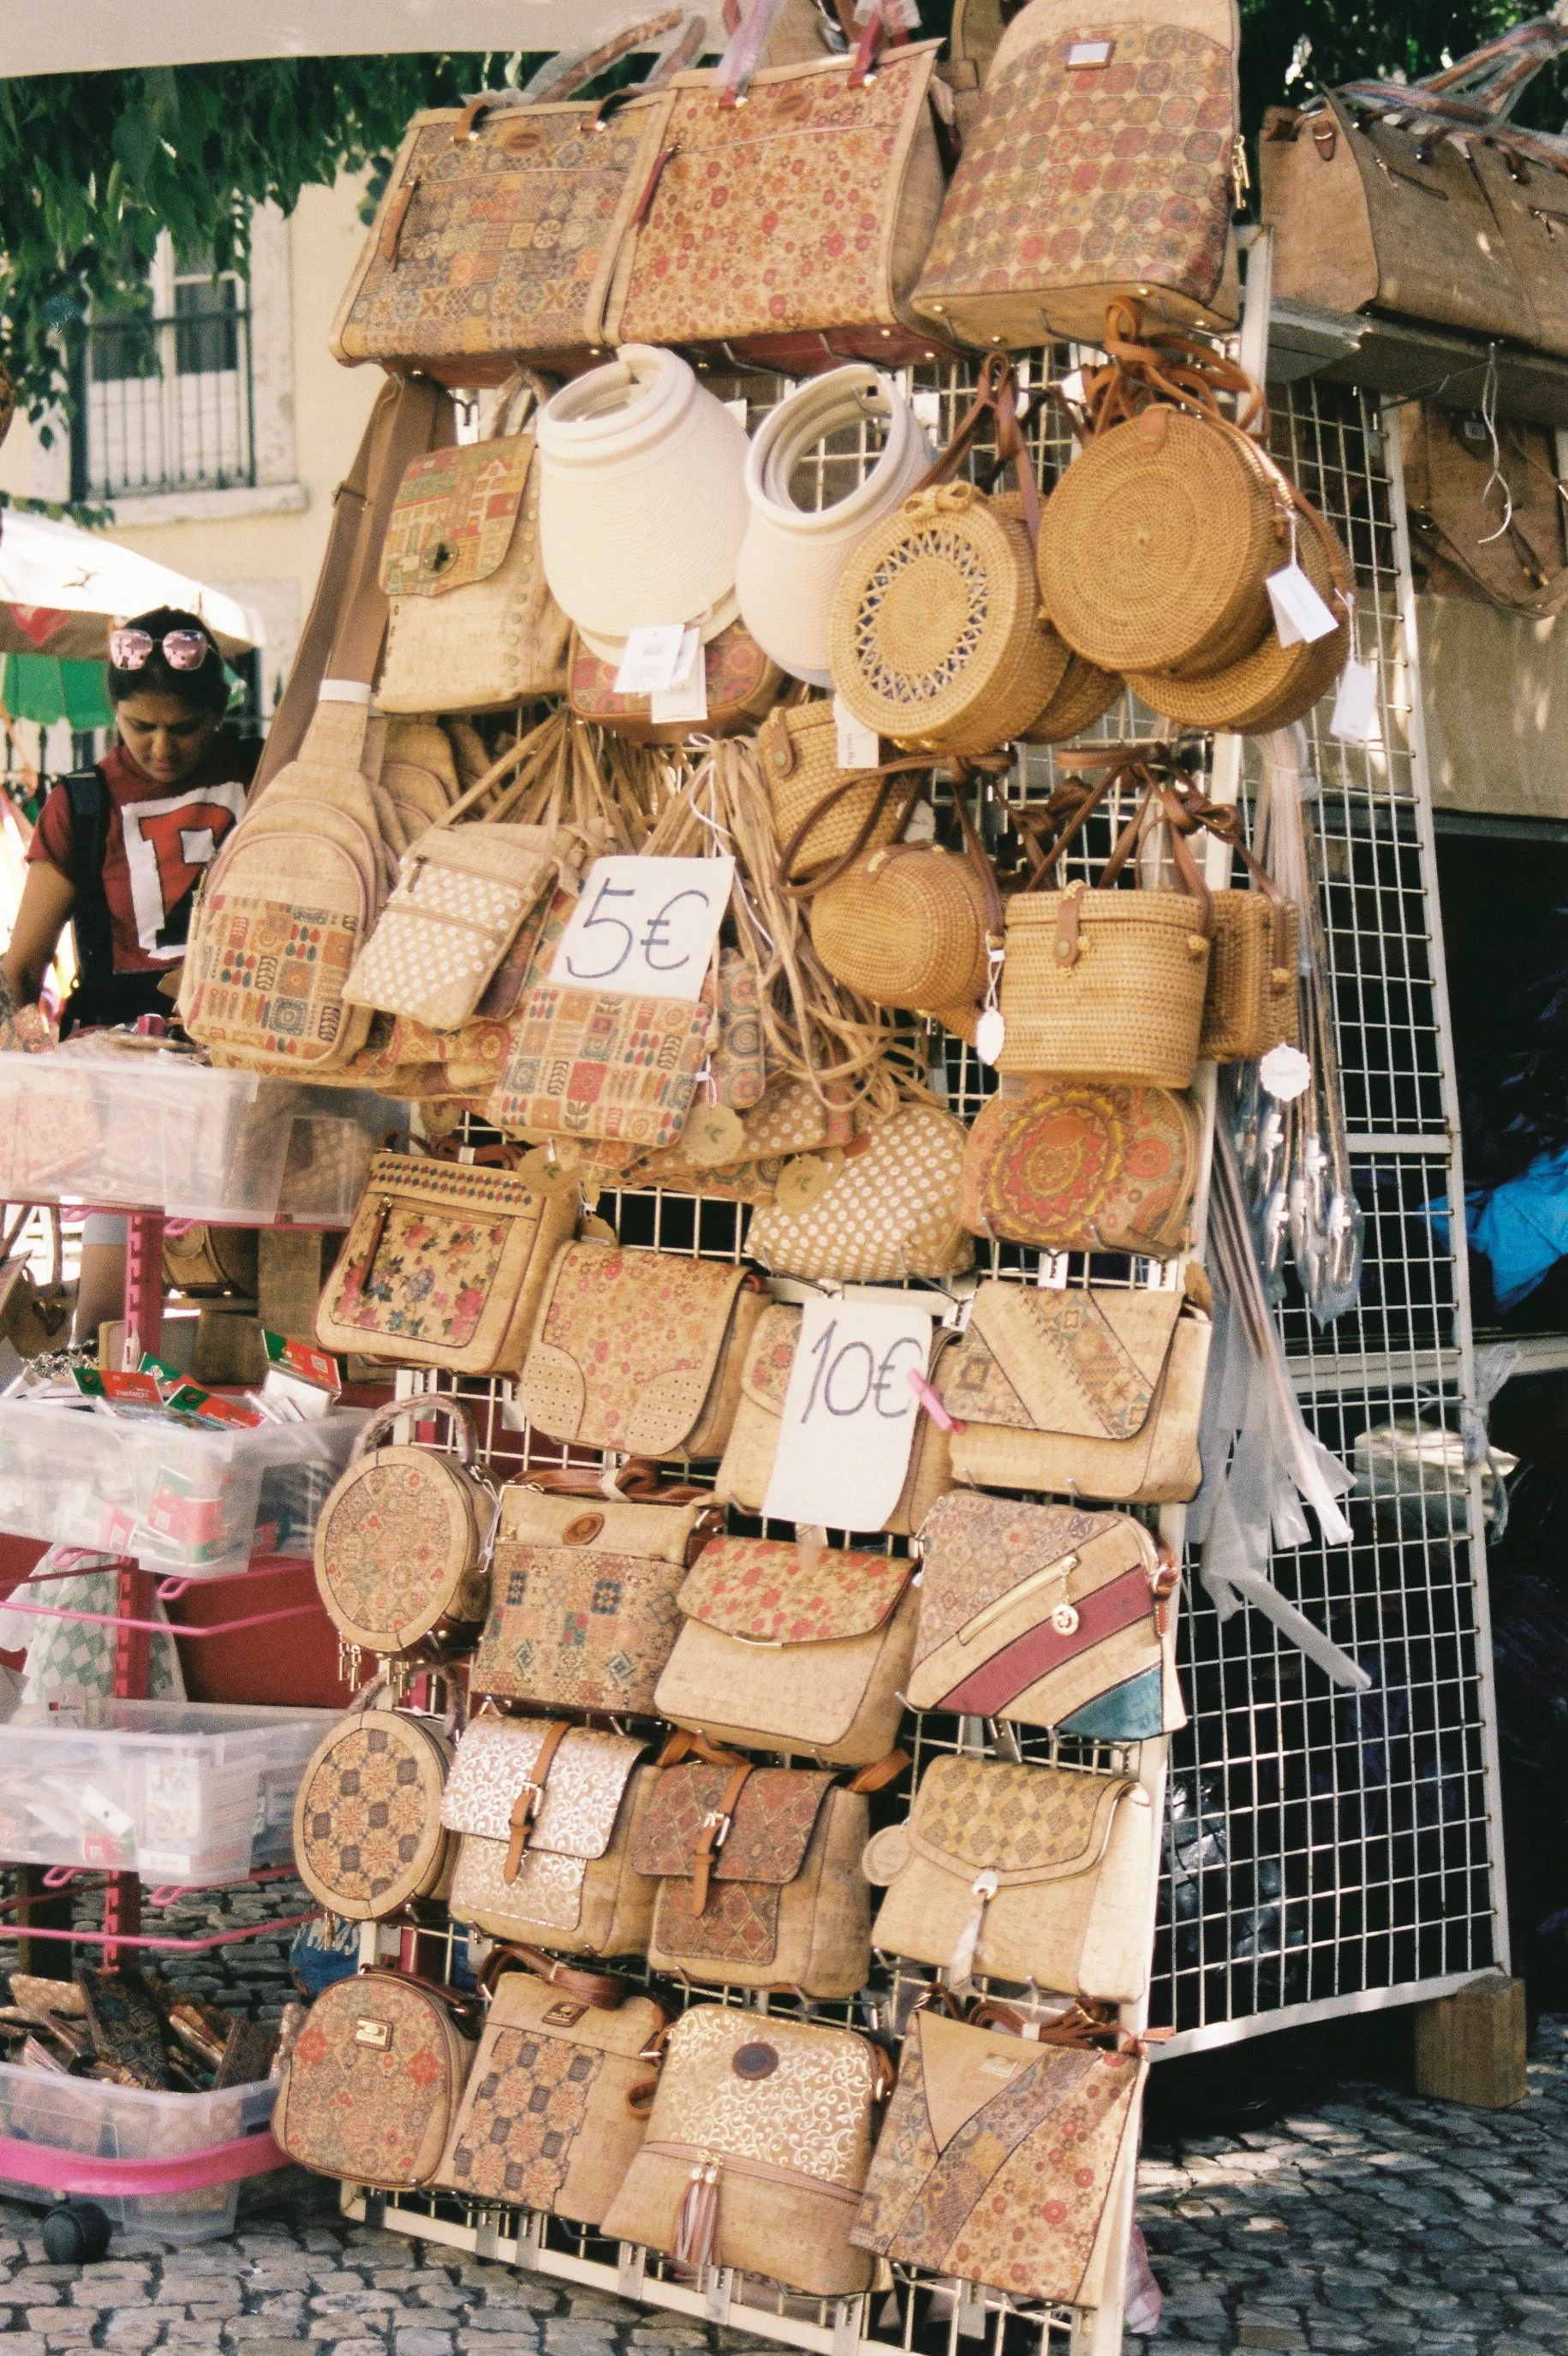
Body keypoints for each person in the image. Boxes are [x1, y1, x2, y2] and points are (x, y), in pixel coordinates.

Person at [2, 606, 255, 1336]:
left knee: (245, 1290)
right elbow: (20, 966)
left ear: (219, 713)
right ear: (114, 710)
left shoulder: (266, 773)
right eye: (140, 726)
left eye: (184, 728)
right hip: (123, 1068)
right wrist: (20, 1074)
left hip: (240, 1057)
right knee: (108, 1317)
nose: (162, 747)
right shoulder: (80, 802)